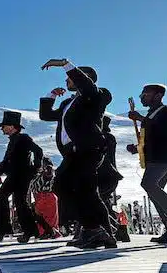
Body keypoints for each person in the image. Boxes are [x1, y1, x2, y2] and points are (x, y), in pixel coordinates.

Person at [40, 58, 115, 249]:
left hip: (88, 150)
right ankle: (100, 232)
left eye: (70, 78)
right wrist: (51, 95)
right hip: (73, 153)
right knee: (85, 192)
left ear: (84, 78)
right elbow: (46, 115)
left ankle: (95, 230)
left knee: (69, 186)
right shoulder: (68, 103)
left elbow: (88, 88)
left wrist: (65, 64)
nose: (67, 81)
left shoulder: (97, 96)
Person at [127, 84, 167, 243]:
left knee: (149, 185)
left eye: (146, 93)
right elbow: (151, 138)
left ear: (158, 95)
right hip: (154, 158)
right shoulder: (151, 115)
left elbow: (165, 131)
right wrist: (137, 148)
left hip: (164, 157)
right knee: (155, 191)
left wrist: (141, 119)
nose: (142, 96)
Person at [0, 111, 43, 243]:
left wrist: (36, 169)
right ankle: (6, 230)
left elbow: (38, 151)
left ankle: (28, 231)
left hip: (22, 176)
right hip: (14, 176)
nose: (2, 129)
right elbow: (6, 160)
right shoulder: (12, 141)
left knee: (20, 202)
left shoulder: (23, 138)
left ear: (12, 126)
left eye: (4, 126)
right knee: (3, 198)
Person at [98, 116, 123, 238]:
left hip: (103, 175)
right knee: (104, 202)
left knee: (98, 201)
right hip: (111, 176)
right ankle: (118, 230)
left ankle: (112, 229)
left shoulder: (102, 137)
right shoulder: (109, 138)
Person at [28, 157, 61, 239]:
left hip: (44, 196)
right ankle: (51, 232)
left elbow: (48, 175)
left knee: (41, 215)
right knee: (51, 217)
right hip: (49, 196)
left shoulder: (44, 173)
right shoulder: (40, 174)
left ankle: (48, 232)